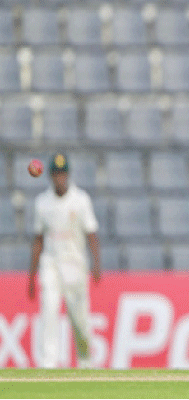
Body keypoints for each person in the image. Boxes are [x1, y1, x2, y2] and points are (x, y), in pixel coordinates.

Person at [27, 153, 101, 368]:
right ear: (50, 176)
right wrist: (31, 277)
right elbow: (38, 240)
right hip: (51, 265)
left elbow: (92, 234)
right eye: (56, 174)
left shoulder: (81, 200)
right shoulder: (42, 203)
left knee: (80, 320)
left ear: (67, 175)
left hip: (75, 265)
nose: (60, 178)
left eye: (62, 174)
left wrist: (96, 264)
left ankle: (85, 361)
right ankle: (47, 364)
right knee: (49, 311)